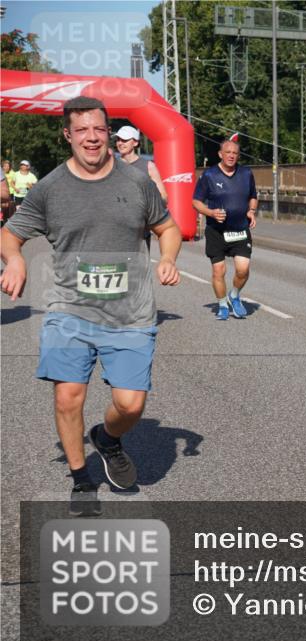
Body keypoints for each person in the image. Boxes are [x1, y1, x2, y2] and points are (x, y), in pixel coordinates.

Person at [0, 96, 181, 516]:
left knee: (131, 404)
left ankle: (107, 438)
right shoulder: (49, 188)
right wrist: (14, 259)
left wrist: (168, 258)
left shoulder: (136, 183)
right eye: (82, 130)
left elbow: (167, 227)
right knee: (68, 397)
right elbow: (11, 234)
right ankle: (82, 480)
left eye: (99, 129)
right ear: (68, 135)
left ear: (110, 134)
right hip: (69, 311)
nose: (92, 138)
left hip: (130, 313)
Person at [191, 138, 257, 320]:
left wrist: (251, 210)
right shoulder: (209, 176)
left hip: (240, 229)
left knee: (243, 270)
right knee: (219, 271)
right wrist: (211, 213)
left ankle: (234, 295)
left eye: (235, 153)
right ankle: (222, 304)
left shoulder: (246, 173)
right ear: (220, 154)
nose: (231, 156)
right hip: (216, 232)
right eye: (228, 152)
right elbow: (196, 202)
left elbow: (253, 196)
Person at [115, 125, 167, 251]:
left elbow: (163, 197)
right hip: (115, 229)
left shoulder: (148, 166)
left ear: (135, 142)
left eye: (125, 140)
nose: (120, 143)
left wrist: (150, 215)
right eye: (118, 140)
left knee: (138, 268)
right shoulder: (110, 165)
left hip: (139, 230)